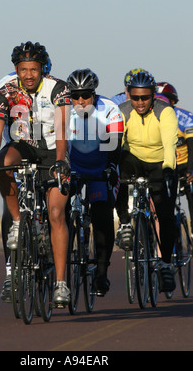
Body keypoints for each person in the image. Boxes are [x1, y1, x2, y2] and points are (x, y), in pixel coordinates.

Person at [0, 41, 71, 307]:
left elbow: (62, 130)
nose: (29, 75)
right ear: (16, 69)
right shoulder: (4, 92)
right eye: (23, 69)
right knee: (3, 162)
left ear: (42, 69)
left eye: (34, 69)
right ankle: (18, 222)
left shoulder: (59, 89)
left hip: (53, 151)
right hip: (24, 146)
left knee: (55, 214)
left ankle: (61, 283)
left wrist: (61, 162)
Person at [115, 71, 179, 292]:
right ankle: (124, 224)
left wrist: (169, 169)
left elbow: (170, 143)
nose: (140, 102)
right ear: (129, 95)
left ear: (153, 96)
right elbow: (117, 143)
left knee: (166, 213)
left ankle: (165, 264)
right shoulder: (122, 112)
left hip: (161, 162)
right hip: (133, 159)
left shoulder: (165, 112)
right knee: (117, 172)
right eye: (135, 98)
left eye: (145, 97)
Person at [66, 69, 123, 296]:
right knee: (60, 210)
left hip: (101, 167)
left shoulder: (109, 108)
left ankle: (101, 272)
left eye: (86, 95)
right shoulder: (63, 109)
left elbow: (115, 141)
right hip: (73, 168)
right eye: (76, 96)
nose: (81, 101)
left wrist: (110, 167)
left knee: (101, 213)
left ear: (94, 94)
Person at [156, 82, 193, 258]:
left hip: (186, 163)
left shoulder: (187, 117)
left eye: (164, 100)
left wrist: (191, 170)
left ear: (173, 102)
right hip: (166, 163)